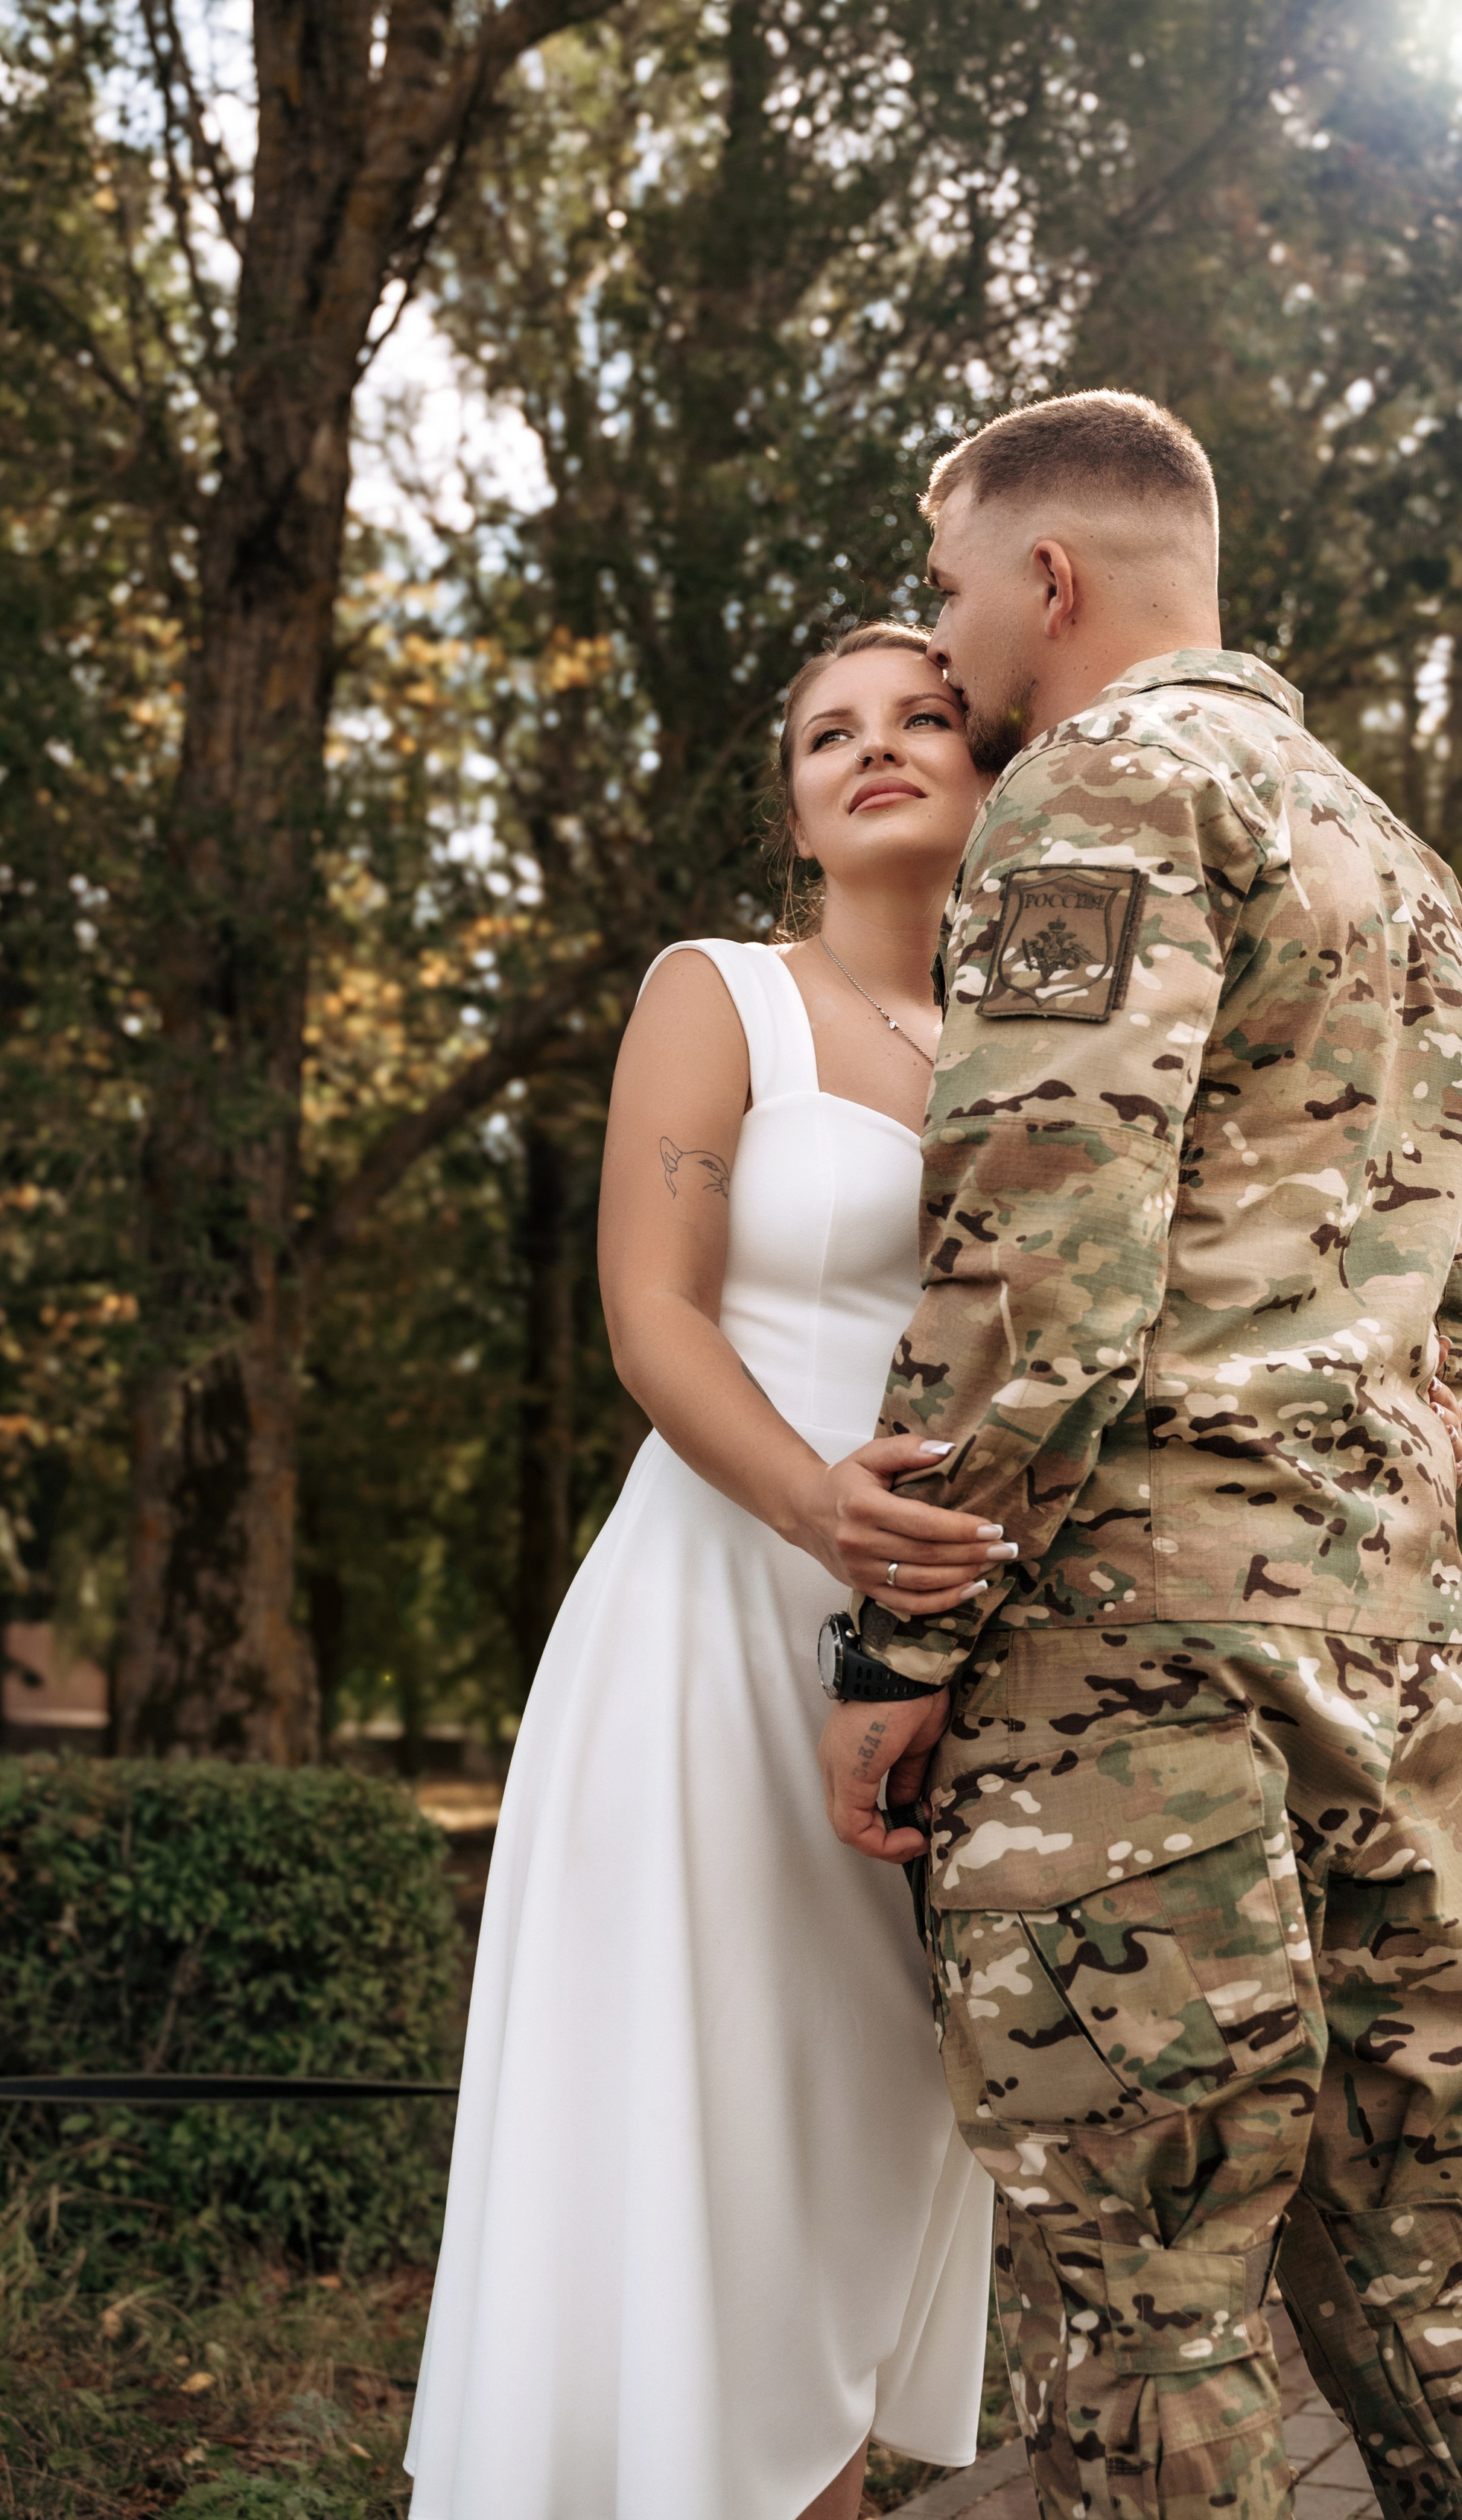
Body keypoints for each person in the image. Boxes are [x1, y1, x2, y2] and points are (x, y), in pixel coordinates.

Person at [814, 392, 1462, 2520]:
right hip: (1390, 1658)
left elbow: (1040, 1267)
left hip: (1134, 1679)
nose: (945, 638)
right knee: (1440, 2273)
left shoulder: (1102, 785)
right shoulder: (1397, 860)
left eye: (949, 589)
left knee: (1148, 2310)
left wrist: (896, 1649)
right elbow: (1443, 1321)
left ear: (1047, 576)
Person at [405, 623, 1003, 2520]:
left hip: (938, 1656)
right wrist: (817, 1508)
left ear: (991, 768)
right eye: (829, 733)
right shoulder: (717, 991)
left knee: (872, 2136)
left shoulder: (1038, 1039)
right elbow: (649, 1316)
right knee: (708, 2139)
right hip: (708, 1622)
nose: (875, 747)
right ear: (794, 809)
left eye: (923, 715)